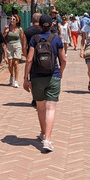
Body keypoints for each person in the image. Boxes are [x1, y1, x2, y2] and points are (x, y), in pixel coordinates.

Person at [23, 15, 66, 153]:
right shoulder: (57, 39)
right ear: (52, 26)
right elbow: (63, 59)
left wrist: (25, 78)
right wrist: (60, 72)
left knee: (41, 108)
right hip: (53, 76)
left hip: (37, 77)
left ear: (39, 26)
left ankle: (43, 133)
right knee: (51, 108)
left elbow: (29, 59)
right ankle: (47, 139)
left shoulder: (34, 39)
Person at [3, 14, 26, 87]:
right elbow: (2, 37)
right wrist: (5, 32)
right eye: (11, 19)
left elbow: (22, 39)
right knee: (10, 64)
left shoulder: (20, 29)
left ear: (17, 21)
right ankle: (11, 75)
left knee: (16, 63)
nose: (11, 20)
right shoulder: (7, 28)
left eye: (13, 19)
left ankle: (16, 80)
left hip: (17, 45)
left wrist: (23, 48)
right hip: (9, 46)